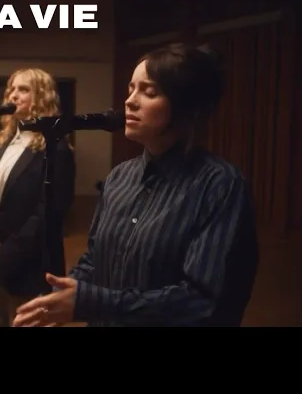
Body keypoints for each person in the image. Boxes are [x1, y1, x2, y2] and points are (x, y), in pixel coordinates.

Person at [13, 43, 259, 327]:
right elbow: (96, 259)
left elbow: (202, 302)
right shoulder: (119, 177)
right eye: (131, 89)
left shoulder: (220, 185)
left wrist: (92, 302)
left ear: (185, 106)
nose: (130, 101)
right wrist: (61, 297)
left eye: (149, 92)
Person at [0, 68, 75, 327]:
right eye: (11, 89)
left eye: (23, 90)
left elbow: (47, 214)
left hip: (30, 267)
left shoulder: (56, 148)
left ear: (42, 97)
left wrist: (4, 256)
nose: (13, 96)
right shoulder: (5, 141)